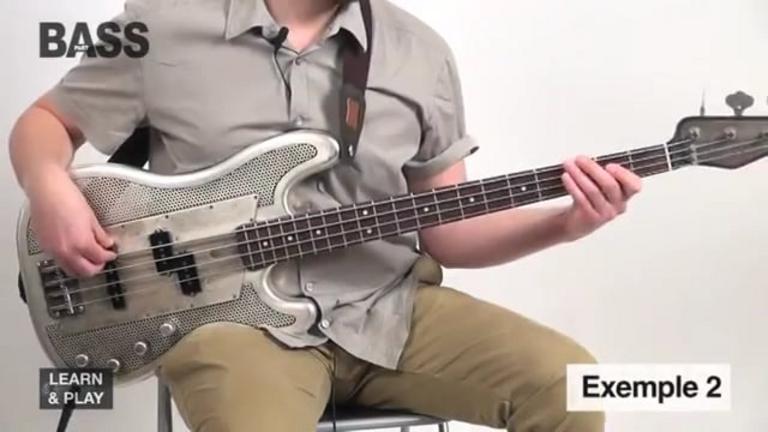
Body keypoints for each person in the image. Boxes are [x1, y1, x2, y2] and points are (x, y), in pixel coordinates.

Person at [9, 0, 642, 431]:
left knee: (568, 387)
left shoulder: (421, 54)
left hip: (388, 310)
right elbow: (45, 122)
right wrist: (49, 188)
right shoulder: (159, 22)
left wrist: (566, 223)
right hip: (232, 328)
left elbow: (449, 233)